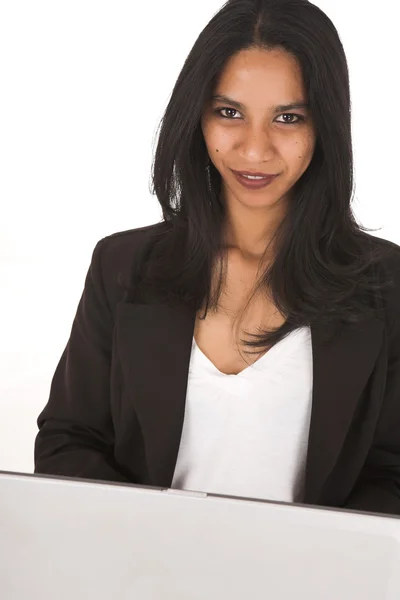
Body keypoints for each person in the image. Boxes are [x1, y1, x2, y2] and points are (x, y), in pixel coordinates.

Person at [34, 0, 400, 515]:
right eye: (230, 113)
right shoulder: (121, 266)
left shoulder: (386, 283)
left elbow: (392, 473)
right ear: (197, 117)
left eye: (288, 118)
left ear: (326, 128)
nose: (255, 150)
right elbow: (68, 441)